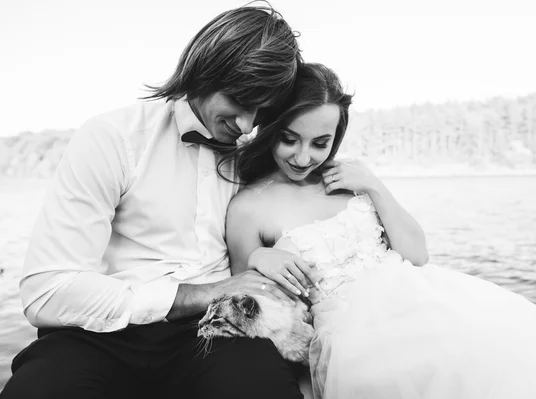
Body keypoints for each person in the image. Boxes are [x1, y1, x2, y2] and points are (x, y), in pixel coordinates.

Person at [224, 63, 536, 399]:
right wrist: (258, 258)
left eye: (320, 143)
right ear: (270, 129)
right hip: (355, 333)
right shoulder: (248, 208)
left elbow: (417, 255)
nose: (304, 157)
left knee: (511, 342)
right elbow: (248, 303)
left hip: (425, 295)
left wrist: (374, 186)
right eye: (290, 139)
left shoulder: (349, 179)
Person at [1, 4, 308, 399]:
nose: (247, 125)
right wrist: (201, 292)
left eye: (262, 110)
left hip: (217, 332)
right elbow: (47, 291)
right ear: (203, 69)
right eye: (239, 99)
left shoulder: (252, 154)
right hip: (96, 335)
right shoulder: (112, 138)